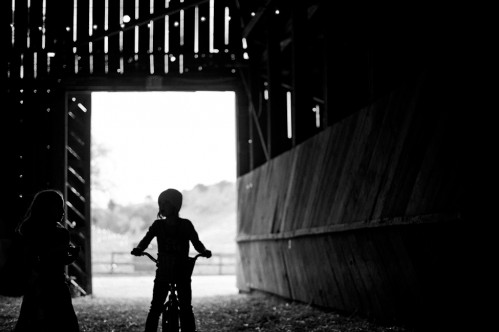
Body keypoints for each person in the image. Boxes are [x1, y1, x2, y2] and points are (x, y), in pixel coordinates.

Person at [131, 188, 211, 332]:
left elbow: (196, 243)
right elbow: (146, 240)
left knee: (186, 308)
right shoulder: (157, 225)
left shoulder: (186, 225)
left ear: (175, 205)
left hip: (180, 271)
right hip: (165, 270)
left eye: (166, 203)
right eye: (160, 203)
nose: (162, 206)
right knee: (156, 307)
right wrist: (139, 249)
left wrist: (204, 251)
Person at [13, 189, 81, 332]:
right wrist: (69, 255)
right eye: (59, 207)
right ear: (47, 208)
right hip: (52, 286)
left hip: (39, 286)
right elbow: (58, 259)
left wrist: (68, 255)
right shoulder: (60, 233)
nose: (63, 211)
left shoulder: (29, 229)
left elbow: (38, 259)